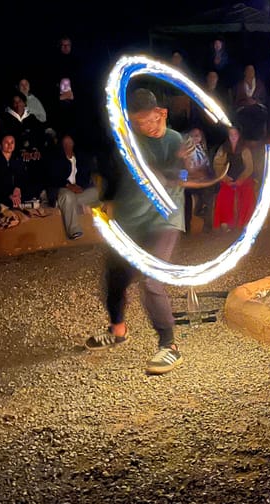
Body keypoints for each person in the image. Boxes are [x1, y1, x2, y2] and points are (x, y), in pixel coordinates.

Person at [84, 88, 190, 375]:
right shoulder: (129, 141)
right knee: (115, 278)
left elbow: (183, 177)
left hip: (163, 220)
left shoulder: (175, 140)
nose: (145, 127)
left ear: (162, 113)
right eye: (138, 122)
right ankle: (118, 331)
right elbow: (118, 170)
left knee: (152, 280)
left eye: (150, 120)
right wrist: (106, 200)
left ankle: (169, 346)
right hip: (130, 221)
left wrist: (180, 165)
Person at [46, 133, 99, 240]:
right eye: (65, 143)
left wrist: (80, 187)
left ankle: (64, 204)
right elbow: (53, 177)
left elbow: (85, 177)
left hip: (76, 192)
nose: (68, 145)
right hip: (62, 189)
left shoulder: (79, 158)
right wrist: (68, 186)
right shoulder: (57, 158)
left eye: (69, 142)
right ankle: (74, 230)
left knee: (96, 193)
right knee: (67, 195)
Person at [212, 125, 257, 231]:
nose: (233, 137)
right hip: (228, 178)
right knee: (224, 194)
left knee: (248, 193)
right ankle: (225, 222)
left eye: (235, 134)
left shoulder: (245, 149)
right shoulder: (223, 148)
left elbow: (249, 167)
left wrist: (241, 179)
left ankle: (246, 220)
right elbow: (218, 165)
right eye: (231, 134)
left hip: (243, 179)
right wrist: (226, 179)